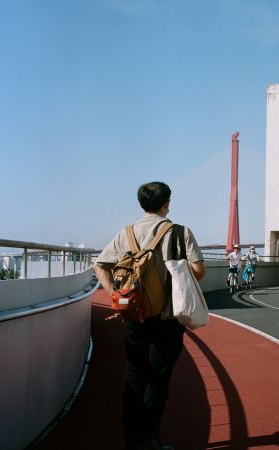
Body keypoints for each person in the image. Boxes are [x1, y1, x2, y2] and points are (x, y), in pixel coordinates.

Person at [93, 181, 206, 450]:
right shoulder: (180, 233)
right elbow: (199, 271)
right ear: (167, 204)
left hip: (135, 317)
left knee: (134, 377)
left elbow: (100, 266)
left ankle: (132, 439)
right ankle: (149, 440)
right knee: (157, 381)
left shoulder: (126, 233)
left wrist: (117, 298)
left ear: (142, 204)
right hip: (167, 318)